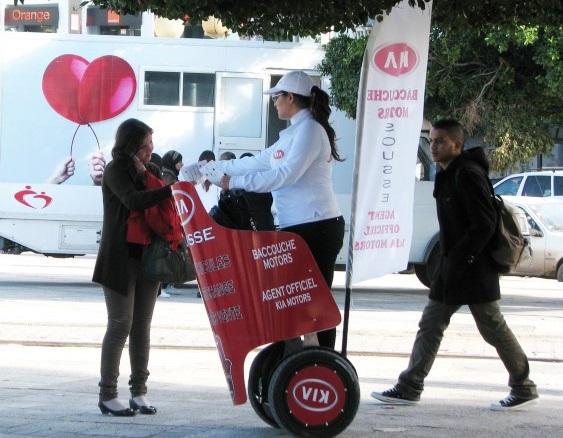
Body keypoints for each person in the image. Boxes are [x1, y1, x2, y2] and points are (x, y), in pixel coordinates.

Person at [370, 119, 539, 411]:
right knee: (432, 324)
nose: (433, 146)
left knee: (492, 327)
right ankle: (410, 385)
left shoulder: (468, 174)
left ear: (457, 145)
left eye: (440, 141)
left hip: (472, 269)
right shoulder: (446, 174)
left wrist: (462, 257)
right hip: (454, 267)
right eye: (432, 140)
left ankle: (523, 386)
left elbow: (483, 224)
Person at [218, 70, 345, 349]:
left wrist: (234, 182)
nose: (274, 103)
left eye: (277, 97)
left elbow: (286, 175)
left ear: (290, 97)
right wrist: (213, 169)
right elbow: (260, 161)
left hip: (317, 225)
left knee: (315, 301)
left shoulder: (311, 130)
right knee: (296, 299)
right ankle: (306, 360)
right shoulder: (293, 133)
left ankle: (323, 363)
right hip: (298, 226)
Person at [92, 118, 180, 417]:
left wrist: (165, 185)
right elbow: (132, 200)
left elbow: (162, 204)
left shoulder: (153, 170)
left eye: (151, 145)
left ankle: (139, 392)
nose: (150, 151)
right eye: (144, 146)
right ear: (129, 145)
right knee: (120, 324)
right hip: (119, 258)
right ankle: (107, 394)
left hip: (148, 258)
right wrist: (171, 190)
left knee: (142, 326)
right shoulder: (116, 169)